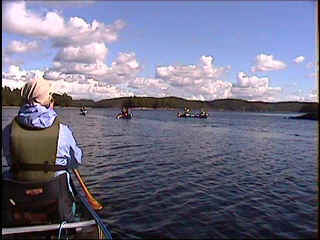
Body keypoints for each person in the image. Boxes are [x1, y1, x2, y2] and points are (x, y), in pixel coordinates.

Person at [2, 77, 83, 225]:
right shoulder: (63, 131)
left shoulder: (8, 131)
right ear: (46, 99)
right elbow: (76, 161)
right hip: (54, 197)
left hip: (19, 196)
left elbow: (9, 160)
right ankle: (71, 221)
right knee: (64, 175)